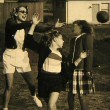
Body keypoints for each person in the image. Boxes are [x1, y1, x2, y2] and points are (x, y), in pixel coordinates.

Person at [25, 17, 88, 109]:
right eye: (61, 38)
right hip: (43, 81)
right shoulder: (44, 50)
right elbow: (29, 41)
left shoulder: (62, 55)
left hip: (56, 81)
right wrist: (34, 25)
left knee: (50, 105)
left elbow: (69, 67)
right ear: (54, 39)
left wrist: (79, 58)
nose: (63, 41)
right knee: (51, 105)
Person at [2, 5, 56, 110]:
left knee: (31, 84)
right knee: (9, 85)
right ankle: (5, 107)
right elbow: (15, 27)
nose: (24, 14)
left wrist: (53, 26)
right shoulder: (10, 22)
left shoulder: (26, 26)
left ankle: (34, 96)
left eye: (26, 12)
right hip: (9, 55)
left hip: (22, 56)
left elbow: (40, 28)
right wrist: (31, 22)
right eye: (22, 12)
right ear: (16, 13)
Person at [67, 20, 94, 110]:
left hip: (81, 70)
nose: (72, 29)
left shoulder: (87, 37)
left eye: (74, 27)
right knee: (70, 94)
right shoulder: (73, 39)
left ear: (80, 27)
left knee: (81, 95)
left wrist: (88, 70)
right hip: (72, 70)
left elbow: (89, 54)